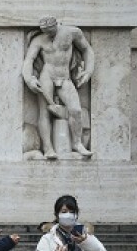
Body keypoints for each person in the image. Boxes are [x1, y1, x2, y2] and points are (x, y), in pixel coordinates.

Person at [22, 16, 94, 159]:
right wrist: (29, 79)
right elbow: (29, 60)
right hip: (47, 76)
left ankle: (77, 143)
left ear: (56, 25)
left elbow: (87, 50)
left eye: (51, 31)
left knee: (76, 110)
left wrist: (88, 71)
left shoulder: (72, 33)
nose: (49, 35)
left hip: (64, 77)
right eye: (45, 32)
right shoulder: (39, 40)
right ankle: (48, 148)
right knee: (44, 112)